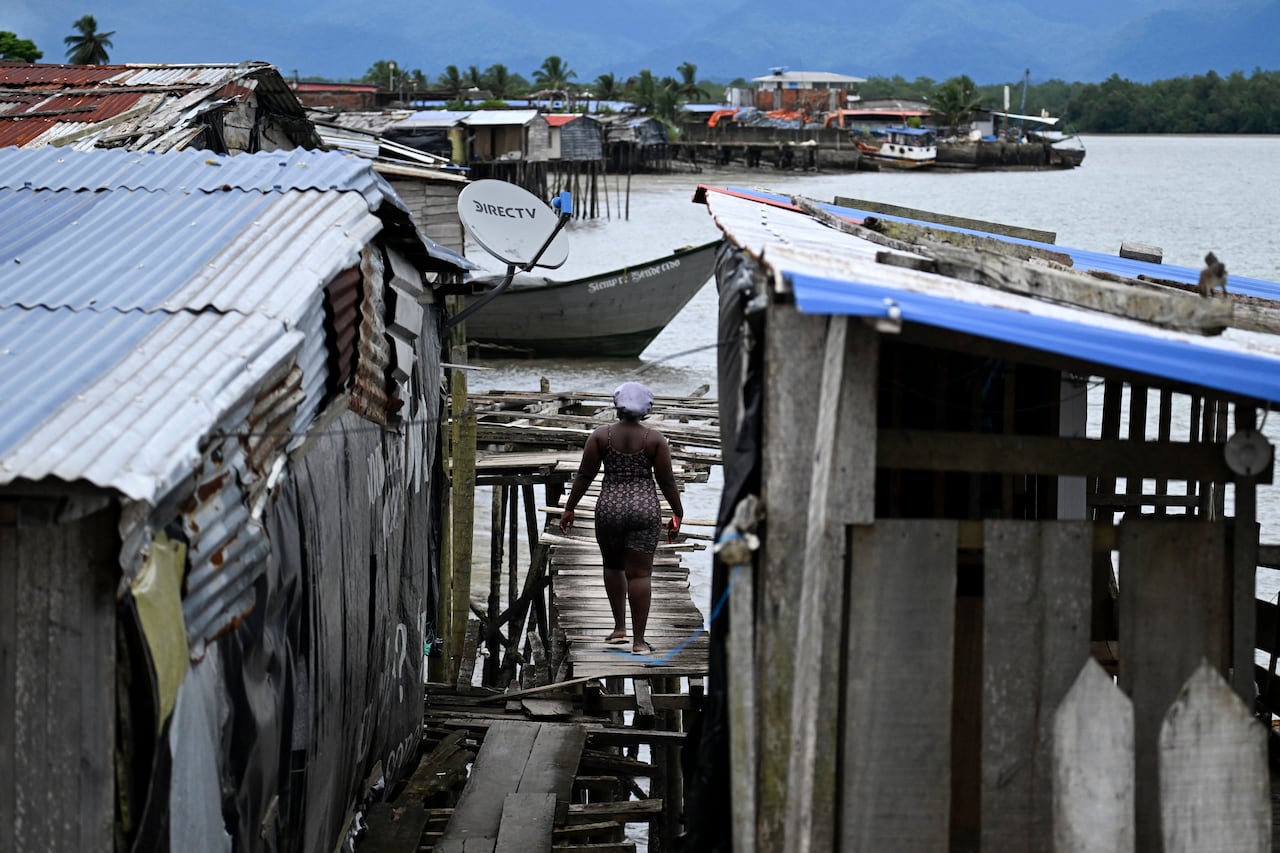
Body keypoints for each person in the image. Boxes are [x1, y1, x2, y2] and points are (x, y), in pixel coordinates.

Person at [559, 381, 684, 656]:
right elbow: (666, 480)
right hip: (644, 509)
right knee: (640, 574)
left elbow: (584, 475)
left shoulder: (601, 437)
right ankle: (639, 642)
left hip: (610, 509)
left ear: (617, 405)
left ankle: (619, 629)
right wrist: (677, 510)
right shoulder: (654, 439)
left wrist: (570, 508)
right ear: (646, 408)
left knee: (613, 567)